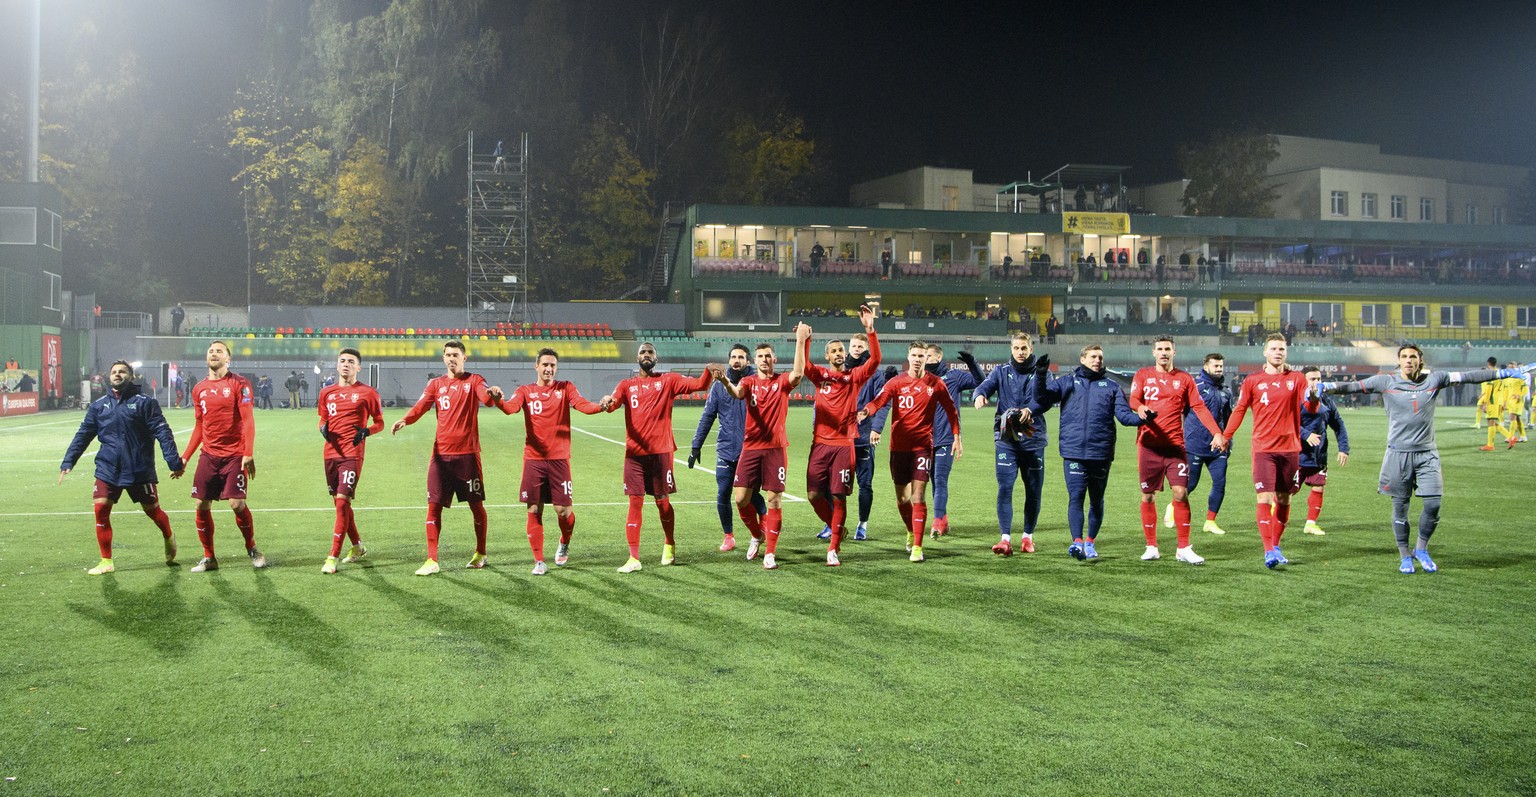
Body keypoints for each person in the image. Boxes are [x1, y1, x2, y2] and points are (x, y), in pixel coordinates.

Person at [1320, 347, 1534, 573]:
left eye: (1413, 356)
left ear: (1420, 360)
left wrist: (1507, 373)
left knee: (1433, 504)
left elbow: (1471, 376)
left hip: (1427, 454)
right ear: (1399, 361)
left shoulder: (1435, 379)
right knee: (1400, 507)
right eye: (1404, 357)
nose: (1408, 360)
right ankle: (1404, 555)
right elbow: (1352, 387)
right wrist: (1327, 387)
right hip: (1397, 455)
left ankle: (1421, 548)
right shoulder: (1385, 382)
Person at [391, 340, 512, 576]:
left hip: (467, 456)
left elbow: (485, 398)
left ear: (464, 358)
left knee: (476, 506)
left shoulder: (474, 380)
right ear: (443, 358)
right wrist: (405, 419)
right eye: (447, 355)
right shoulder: (436, 384)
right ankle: (431, 559)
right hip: (440, 457)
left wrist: (494, 394)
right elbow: (421, 406)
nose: (451, 358)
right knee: (433, 506)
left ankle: (481, 553)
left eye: (455, 354)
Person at [599, 343, 720, 573]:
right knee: (635, 503)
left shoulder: (668, 381)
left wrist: (708, 370)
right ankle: (633, 557)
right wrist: (606, 400)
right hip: (634, 455)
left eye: (650, 353)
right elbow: (612, 404)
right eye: (643, 352)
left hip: (661, 453)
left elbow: (699, 385)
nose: (646, 355)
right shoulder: (626, 385)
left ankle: (669, 544)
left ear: (656, 358)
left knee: (662, 503)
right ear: (637, 358)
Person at [59, 360, 185, 575]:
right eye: (114, 372)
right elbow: (84, 434)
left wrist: (173, 462)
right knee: (100, 510)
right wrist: (68, 461)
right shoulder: (99, 406)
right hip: (108, 468)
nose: (117, 375)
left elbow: (162, 433)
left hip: (139, 468)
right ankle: (106, 561)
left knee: (152, 511)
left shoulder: (146, 403)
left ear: (131, 376)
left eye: (122, 372)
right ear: (109, 377)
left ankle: (168, 535)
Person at [1029, 344, 1145, 560]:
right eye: (1093, 356)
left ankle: (1090, 542)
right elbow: (1042, 399)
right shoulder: (1066, 382)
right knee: (1075, 498)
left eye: (1100, 357)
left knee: (1096, 500)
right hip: (1073, 452)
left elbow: (1124, 417)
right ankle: (1077, 542)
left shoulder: (1112, 387)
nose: (1097, 360)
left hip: (1100, 453)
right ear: (1082, 359)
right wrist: (1041, 373)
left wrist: (1143, 418)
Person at [858, 341, 962, 563]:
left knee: (918, 496)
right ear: (909, 357)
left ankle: (917, 546)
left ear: (927, 358)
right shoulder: (896, 382)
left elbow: (952, 411)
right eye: (914, 355)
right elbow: (880, 401)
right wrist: (867, 411)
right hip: (899, 449)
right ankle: (910, 530)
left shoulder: (936, 384)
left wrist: (957, 437)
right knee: (902, 499)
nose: (917, 359)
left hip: (922, 448)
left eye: (921, 356)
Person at [502, 348, 603, 575]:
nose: (549, 369)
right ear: (536, 366)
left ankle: (564, 541)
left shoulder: (565, 387)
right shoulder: (525, 390)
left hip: (559, 460)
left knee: (563, 511)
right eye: (545, 365)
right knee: (533, 508)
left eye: (552, 366)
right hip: (534, 460)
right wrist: (499, 400)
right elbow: (511, 408)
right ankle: (539, 560)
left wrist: (600, 406)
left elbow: (582, 405)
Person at [1128, 336, 1227, 565]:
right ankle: (1151, 546)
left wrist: (1216, 432)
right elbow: (1133, 399)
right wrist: (1140, 407)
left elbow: (1199, 407)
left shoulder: (1184, 379)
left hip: (1175, 446)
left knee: (1181, 493)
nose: (1164, 352)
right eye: (1160, 349)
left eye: (1168, 349)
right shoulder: (1143, 374)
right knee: (1148, 495)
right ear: (1153, 352)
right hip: (1148, 445)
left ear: (1175, 352)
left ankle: (1183, 547)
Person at [1220, 333, 1315, 569]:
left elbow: (1309, 407)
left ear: (1286, 352)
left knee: (1284, 498)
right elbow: (1240, 409)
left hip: (1290, 449)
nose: (1278, 352)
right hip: (1263, 449)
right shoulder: (1252, 381)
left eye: (1282, 349)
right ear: (1265, 352)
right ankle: (1268, 550)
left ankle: (1276, 544)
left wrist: (1314, 397)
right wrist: (1226, 436)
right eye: (1273, 348)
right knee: (1264, 497)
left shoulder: (1297, 379)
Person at [721, 326, 810, 569]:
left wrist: (800, 341)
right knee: (740, 499)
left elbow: (798, 374)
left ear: (774, 359)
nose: (764, 359)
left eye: (768, 355)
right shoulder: (748, 382)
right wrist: (725, 380)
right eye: (760, 356)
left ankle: (770, 552)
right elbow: (737, 393)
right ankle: (756, 534)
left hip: (775, 449)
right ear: (755, 360)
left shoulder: (781, 382)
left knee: (774, 501)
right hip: (751, 448)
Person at [801, 306, 881, 566]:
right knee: (814, 495)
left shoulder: (853, 377)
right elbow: (803, 365)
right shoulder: (820, 377)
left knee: (838, 496)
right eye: (833, 351)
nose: (838, 353)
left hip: (845, 446)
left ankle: (833, 548)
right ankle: (835, 527)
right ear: (827, 355)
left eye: (840, 350)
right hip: (820, 445)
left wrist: (870, 330)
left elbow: (875, 361)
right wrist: (805, 340)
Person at [181, 340, 263, 572]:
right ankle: (209, 558)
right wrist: (186, 457)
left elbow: (248, 419)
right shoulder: (199, 388)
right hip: (209, 455)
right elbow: (199, 425)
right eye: (210, 351)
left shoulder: (240, 384)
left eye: (219, 351)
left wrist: (248, 452)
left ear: (229, 359)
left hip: (234, 455)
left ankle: (252, 548)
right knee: (201, 504)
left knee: (237, 504)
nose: (214, 353)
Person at [973, 332, 1050, 556]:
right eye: (1016, 348)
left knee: (1033, 490)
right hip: (1007, 441)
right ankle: (1005, 538)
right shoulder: (1001, 371)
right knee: (1005, 488)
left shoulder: (1041, 372)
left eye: (1024, 348)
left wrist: (1031, 410)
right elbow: (985, 386)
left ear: (1031, 349)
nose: (1020, 352)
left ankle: (1027, 537)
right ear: (1011, 349)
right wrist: (979, 395)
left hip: (1033, 440)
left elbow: (1046, 399)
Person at [689, 344, 766, 553]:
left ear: (748, 361)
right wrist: (696, 446)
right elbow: (707, 416)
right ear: (729, 360)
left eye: (741, 357)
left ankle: (762, 526)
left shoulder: (755, 383)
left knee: (750, 495)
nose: (736, 360)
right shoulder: (718, 386)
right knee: (723, 492)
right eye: (733, 357)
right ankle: (729, 537)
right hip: (725, 449)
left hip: (750, 450)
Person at [317, 348, 384, 574]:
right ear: (337, 366)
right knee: (340, 504)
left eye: (351, 361)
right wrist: (322, 429)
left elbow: (380, 422)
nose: (346, 364)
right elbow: (322, 419)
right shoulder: (327, 392)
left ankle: (332, 556)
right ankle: (357, 546)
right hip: (330, 454)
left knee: (343, 502)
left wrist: (366, 431)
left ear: (358, 367)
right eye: (342, 361)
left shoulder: (368, 393)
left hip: (352, 454)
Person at [1165, 353, 1234, 535]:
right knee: (1191, 484)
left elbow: (1227, 420)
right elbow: (1177, 410)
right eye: (1215, 366)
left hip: (1217, 447)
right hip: (1194, 444)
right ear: (1206, 367)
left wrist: (1228, 441)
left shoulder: (1226, 391)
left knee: (1220, 483)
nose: (1219, 369)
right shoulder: (1194, 387)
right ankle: (1172, 507)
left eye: (1221, 366)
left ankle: (1210, 521)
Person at [924, 343, 978, 538]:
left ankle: (937, 522)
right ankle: (943, 520)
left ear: (938, 358)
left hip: (947, 438)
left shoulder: (953, 376)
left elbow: (980, 380)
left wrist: (972, 362)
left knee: (940, 479)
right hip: (925, 439)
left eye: (928, 356)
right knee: (933, 481)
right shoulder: (921, 378)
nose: (925, 358)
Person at [1297, 365, 1349, 536]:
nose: (1317, 382)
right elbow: (1286, 423)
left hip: (1318, 454)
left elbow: (1338, 424)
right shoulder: (1294, 399)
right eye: (1313, 379)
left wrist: (1343, 449)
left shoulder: (1326, 400)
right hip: (1297, 454)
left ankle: (1310, 524)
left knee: (1318, 486)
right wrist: (1305, 434)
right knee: (1288, 491)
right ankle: (1274, 519)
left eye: (1319, 379)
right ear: (1303, 380)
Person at [848, 333, 890, 542]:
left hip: (864, 437)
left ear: (866, 349)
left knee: (864, 484)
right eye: (853, 345)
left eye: (860, 346)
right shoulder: (843, 370)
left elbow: (882, 401)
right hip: (841, 440)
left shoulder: (875, 373)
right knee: (835, 486)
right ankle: (832, 524)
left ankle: (862, 524)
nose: (856, 349)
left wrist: (876, 429)